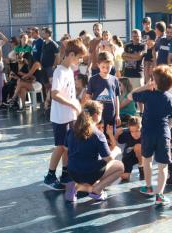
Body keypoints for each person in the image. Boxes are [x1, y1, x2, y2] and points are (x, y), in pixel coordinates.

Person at [128, 65, 172, 206]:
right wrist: (166, 130)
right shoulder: (171, 99)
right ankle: (160, 195)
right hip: (163, 134)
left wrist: (145, 86)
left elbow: (131, 95)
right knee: (163, 166)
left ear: (154, 82)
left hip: (148, 133)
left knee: (147, 160)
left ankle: (149, 187)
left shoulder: (147, 94)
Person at [43, 39, 87, 190]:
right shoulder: (59, 71)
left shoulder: (69, 71)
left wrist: (76, 106)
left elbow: (69, 93)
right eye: (79, 57)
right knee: (60, 146)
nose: (80, 61)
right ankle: (50, 175)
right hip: (60, 117)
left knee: (67, 146)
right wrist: (72, 104)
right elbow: (55, 94)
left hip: (70, 115)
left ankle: (66, 173)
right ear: (71, 54)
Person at [64, 100, 124, 202]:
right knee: (119, 166)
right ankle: (97, 190)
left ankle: (76, 185)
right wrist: (116, 150)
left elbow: (65, 149)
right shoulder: (98, 134)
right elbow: (108, 159)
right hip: (89, 172)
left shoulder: (72, 130)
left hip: (72, 172)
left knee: (89, 167)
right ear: (96, 115)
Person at [86, 51, 121, 134]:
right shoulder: (93, 79)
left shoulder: (114, 79)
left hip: (111, 115)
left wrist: (117, 114)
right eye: (103, 67)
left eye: (108, 67)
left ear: (112, 65)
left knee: (110, 137)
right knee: (97, 137)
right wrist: (90, 113)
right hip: (97, 116)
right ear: (98, 65)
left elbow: (116, 98)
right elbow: (88, 97)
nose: (105, 69)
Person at [114, 116, 143, 181]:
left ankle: (142, 167)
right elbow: (115, 144)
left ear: (141, 128)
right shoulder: (126, 133)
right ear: (129, 130)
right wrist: (116, 134)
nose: (135, 134)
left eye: (137, 131)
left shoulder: (145, 133)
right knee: (124, 177)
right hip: (129, 156)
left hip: (142, 155)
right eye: (132, 132)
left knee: (138, 146)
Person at [41, 27, 60, 109]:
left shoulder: (53, 44)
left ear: (48, 34)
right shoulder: (44, 43)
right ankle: (48, 103)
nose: (42, 34)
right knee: (46, 86)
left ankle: (52, 103)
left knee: (52, 86)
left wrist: (54, 66)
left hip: (50, 68)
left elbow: (58, 56)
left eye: (44, 33)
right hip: (44, 68)